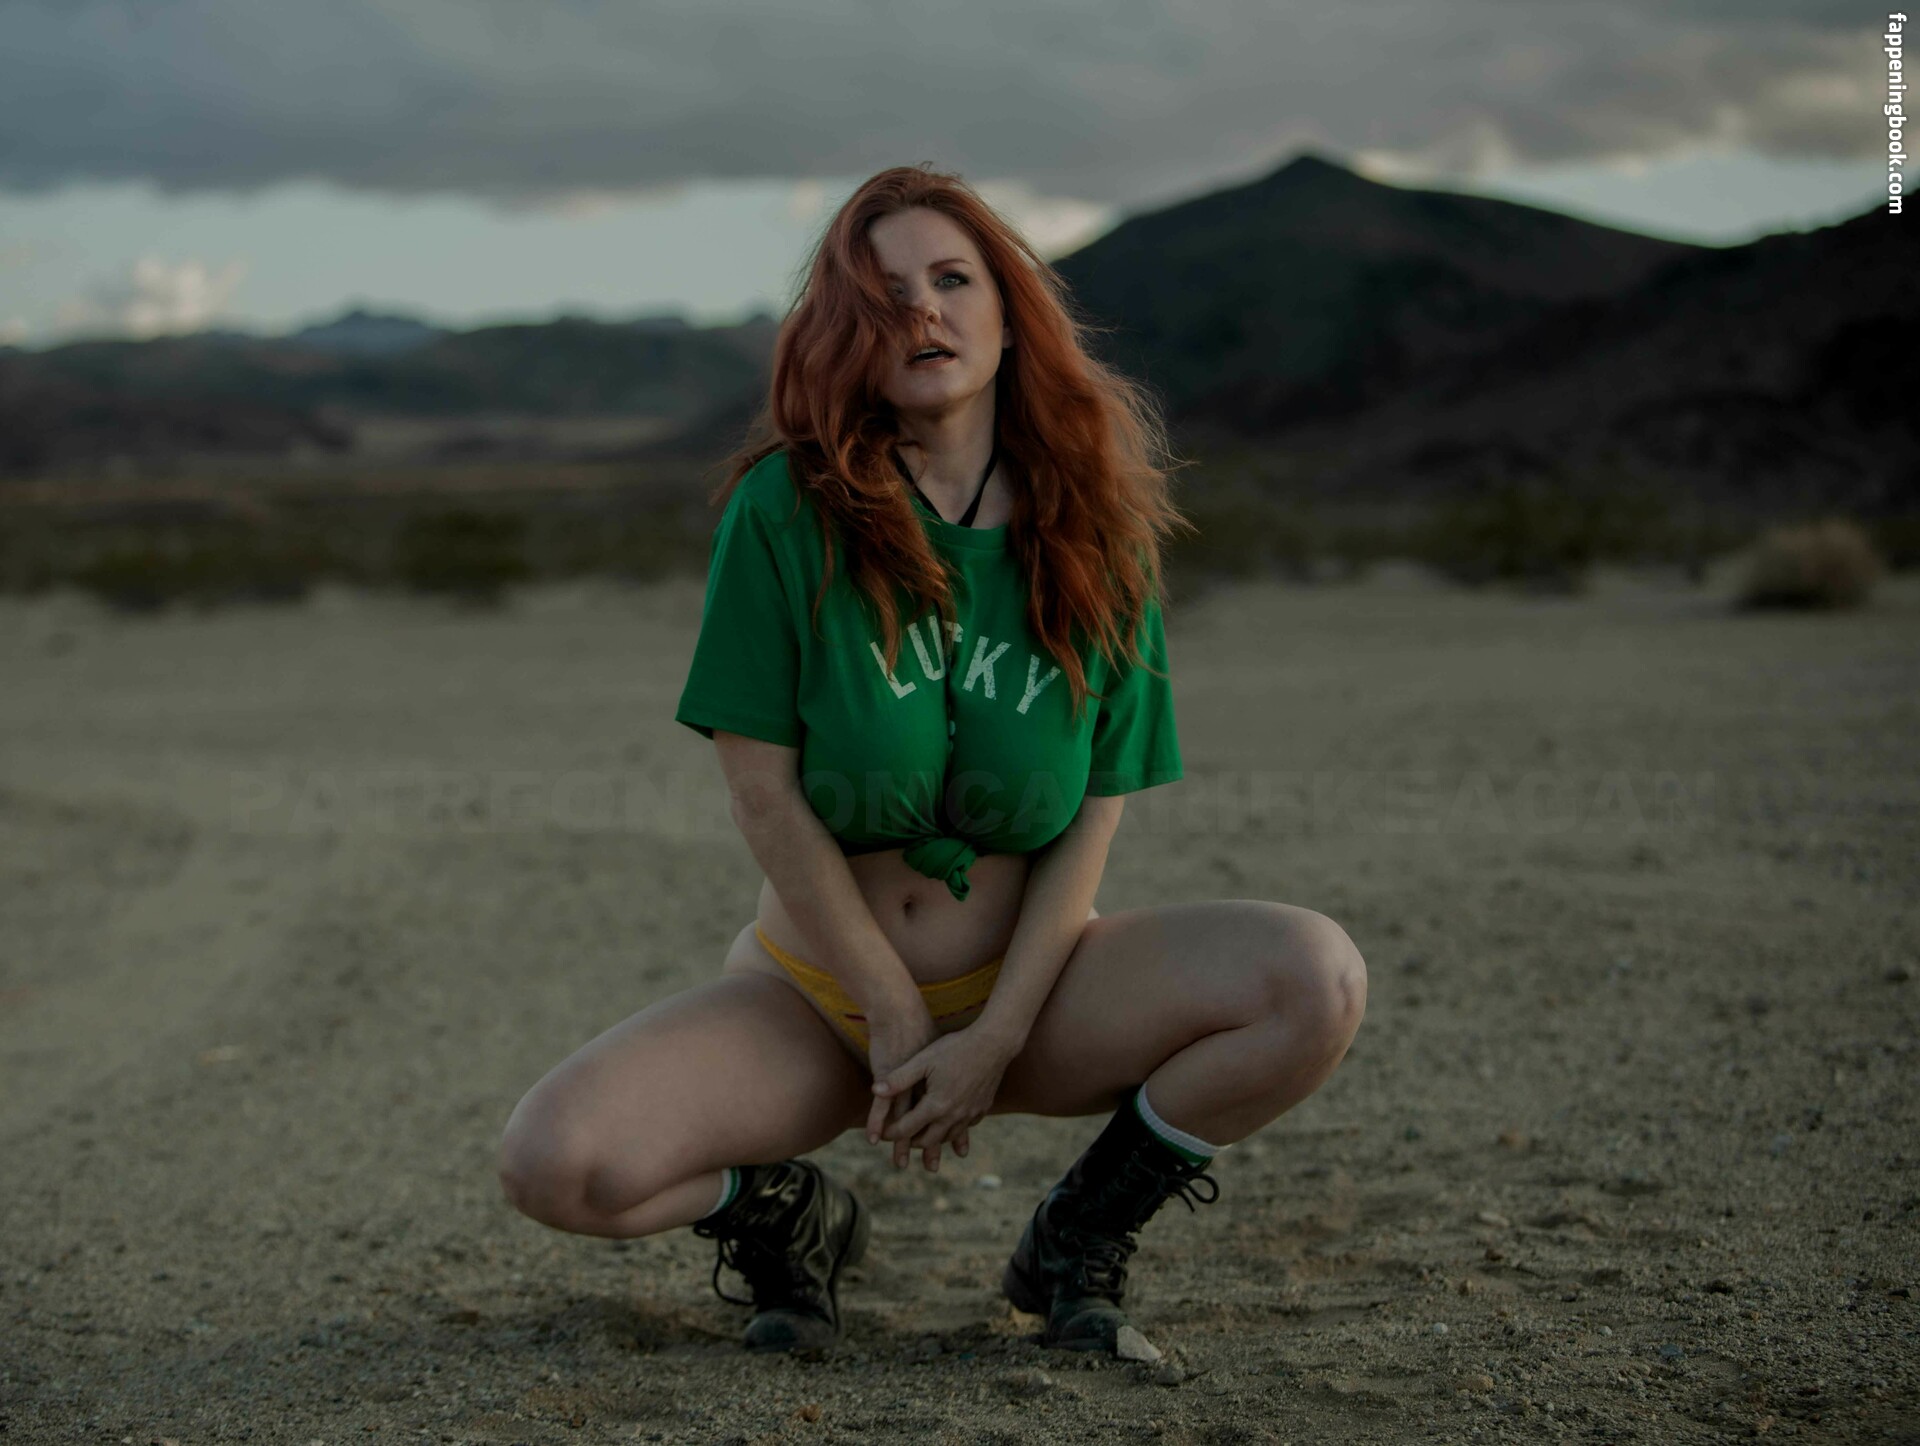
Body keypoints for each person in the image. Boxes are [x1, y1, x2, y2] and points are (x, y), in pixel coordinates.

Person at [497, 164, 1368, 1357]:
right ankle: (786, 1220)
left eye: (953, 280)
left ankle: (1078, 1238)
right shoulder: (785, 512)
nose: (922, 312)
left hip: (1042, 995)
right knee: (557, 1163)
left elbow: (1092, 814)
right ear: (847, 335)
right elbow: (764, 796)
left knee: (1314, 979)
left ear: (1010, 312)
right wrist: (892, 1006)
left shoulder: (1096, 527)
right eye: (883, 295)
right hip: (822, 1003)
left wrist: (997, 1036)